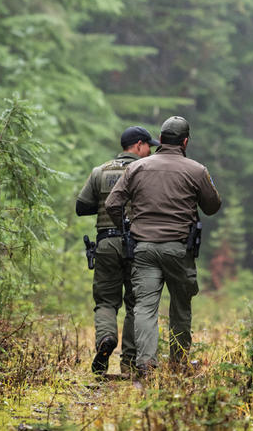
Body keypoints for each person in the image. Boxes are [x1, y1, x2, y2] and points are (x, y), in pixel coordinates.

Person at [104, 115, 221, 376]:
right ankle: (179, 363)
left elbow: (112, 203)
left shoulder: (137, 168)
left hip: (143, 248)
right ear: (185, 141)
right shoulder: (196, 170)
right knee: (181, 304)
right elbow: (212, 207)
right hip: (179, 249)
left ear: (161, 138)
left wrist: (128, 229)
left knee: (145, 306)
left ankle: (146, 362)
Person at [75, 125, 160, 376]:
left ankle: (106, 338)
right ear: (138, 145)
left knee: (105, 301)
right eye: (148, 147)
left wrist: (105, 203)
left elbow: (81, 207)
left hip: (105, 243)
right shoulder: (146, 171)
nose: (150, 152)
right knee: (136, 303)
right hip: (137, 243)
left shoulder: (99, 171)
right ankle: (129, 362)